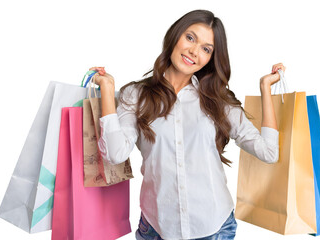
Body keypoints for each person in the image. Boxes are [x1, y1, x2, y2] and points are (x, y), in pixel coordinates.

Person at [90, 9, 285, 240]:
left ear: (211, 58)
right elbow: (114, 154)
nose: (194, 51)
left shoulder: (217, 100)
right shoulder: (136, 95)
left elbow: (269, 152)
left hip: (213, 227)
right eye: (190, 38)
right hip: (156, 228)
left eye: (206, 49)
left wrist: (265, 88)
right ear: (175, 36)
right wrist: (108, 90)